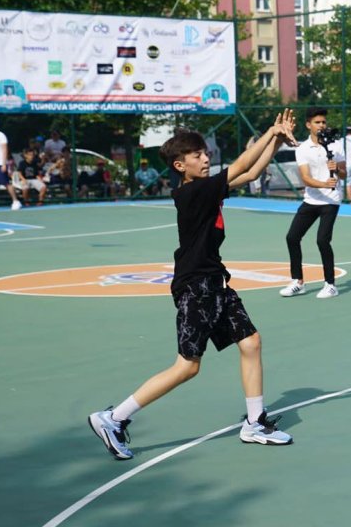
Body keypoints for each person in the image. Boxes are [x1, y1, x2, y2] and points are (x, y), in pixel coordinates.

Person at [88, 111, 298, 460]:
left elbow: (250, 171)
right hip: (196, 287)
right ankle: (113, 418)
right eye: (197, 155)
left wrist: (277, 139)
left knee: (251, 343)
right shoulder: (192, 193)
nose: (205, 157)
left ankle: (255, 422)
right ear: (179, 164)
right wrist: (270, 131)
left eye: (205, 153)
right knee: (187, 366)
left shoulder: (204, 190)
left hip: (216, 283)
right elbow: (243, 162)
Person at [281, 107, 346, 300]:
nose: (321, 125)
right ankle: (298, 282)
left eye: (324, 122)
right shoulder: (302, 149)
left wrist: (337, 170)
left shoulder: (336, 146)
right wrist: (324, 183)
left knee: (322, 240)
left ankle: (330, 285)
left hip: (331, 200)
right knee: (292, 237)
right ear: (309, 125)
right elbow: (306, 178)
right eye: (317, 122)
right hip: (311, 199)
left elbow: (344, 174)